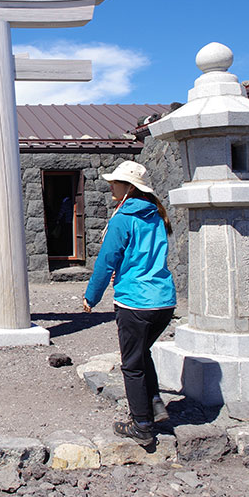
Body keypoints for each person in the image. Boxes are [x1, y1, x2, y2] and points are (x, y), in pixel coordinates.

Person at [82, 160, 176, 445]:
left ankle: (142, 425)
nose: (111, 185)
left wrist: (91, 296)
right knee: (143, 352)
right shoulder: (156, 215)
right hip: (164, 301)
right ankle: (156, 402)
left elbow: (106, 260)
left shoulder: (123, 218)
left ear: (129, 188)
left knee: (132, 363)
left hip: (135, 301)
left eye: (115, 182)